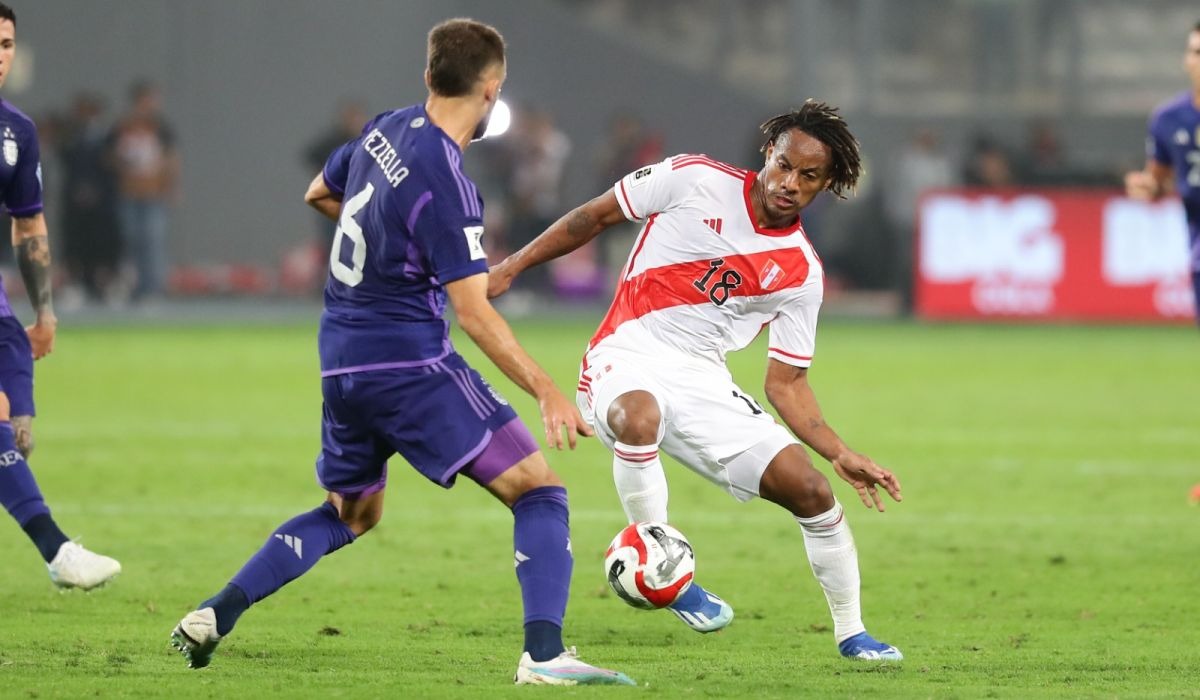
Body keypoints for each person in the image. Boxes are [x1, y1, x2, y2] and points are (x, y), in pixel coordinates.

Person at [169, 18, 633, 686]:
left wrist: (398, 253)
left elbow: (320, 193)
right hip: (410, 364)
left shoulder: (387, 128)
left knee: (350, 513)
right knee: (540, 492)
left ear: (428, 77)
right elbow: (473, 312)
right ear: (492, 90)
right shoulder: (449, 182)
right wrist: (546, 389)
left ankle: (216, 612)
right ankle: (544, 654)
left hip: (342, 362)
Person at [489, 100, 904, 661]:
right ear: (768, 154)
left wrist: (838, 452)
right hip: (626, 353)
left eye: (809, 176)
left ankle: (853, 634)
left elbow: (787, 385)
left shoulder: (801, 271)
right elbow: (593, 217)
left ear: (826, 184)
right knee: (638, 417)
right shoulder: (692, 178)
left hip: (703, 379)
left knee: (811, 491)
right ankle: (666, 572)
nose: (789, 183)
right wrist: (511, 267)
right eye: (784, 165)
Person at [0, 3, 121, 590]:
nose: (0, 56)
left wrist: (44, 310)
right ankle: (58, 552)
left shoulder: (16, 132)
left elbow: (28, 225)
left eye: (5, 44)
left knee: (18, 431)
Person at [1124, 20, 1200, 324]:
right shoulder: (1168, 119)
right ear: (1186, 60)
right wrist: (1147, 186)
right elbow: (1159, 179)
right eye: (1196, 51)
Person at [109, 79, 178, 302]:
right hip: (129, 192)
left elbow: (172, 157)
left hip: (153, 193)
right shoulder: (123, 126)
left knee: (153, 240)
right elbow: (109, 156)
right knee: (131, 240)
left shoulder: (161, 127)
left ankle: (153, 287)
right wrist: (124, 160)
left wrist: (172, 186)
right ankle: (136, 286)